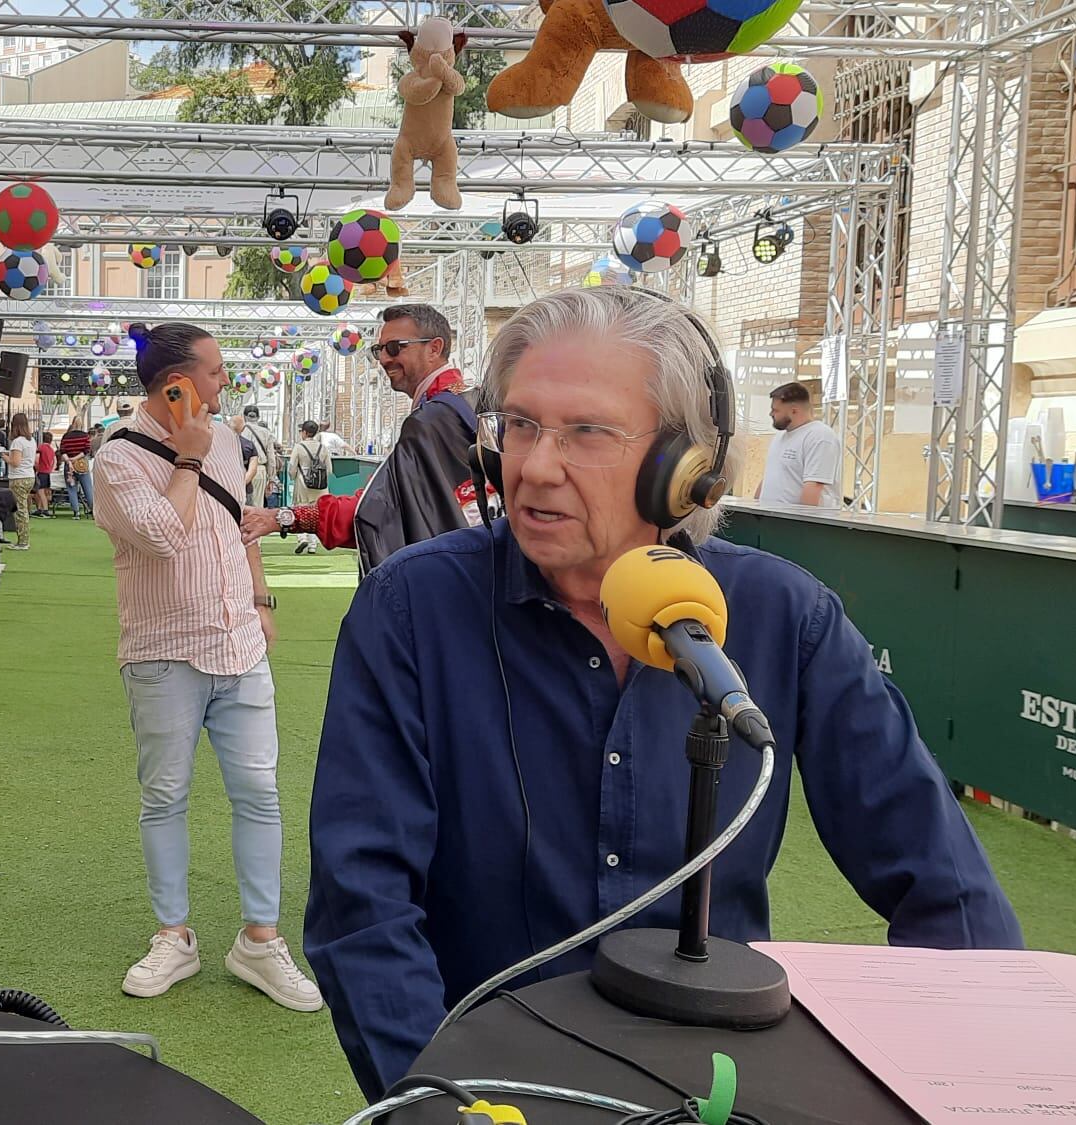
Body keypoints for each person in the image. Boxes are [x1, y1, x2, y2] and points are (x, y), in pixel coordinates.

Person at [303, 287, 1023, 1099]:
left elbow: (944, 885)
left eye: (587, 432)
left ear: (685, 467)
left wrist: (965, 1072)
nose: (535, 465)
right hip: (494, 1087)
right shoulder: (410, 610)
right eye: (522, 425)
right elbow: (361, 906)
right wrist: (442, 1108)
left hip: (719, 1092)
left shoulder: (787, 616)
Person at [92, 322, 322, 1014]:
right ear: (176, 383)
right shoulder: (117, 458)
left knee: (260, 792)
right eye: (215, 372)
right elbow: (164, 536)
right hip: (164, 651)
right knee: (165, 796)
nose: (226, 382)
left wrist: (260, 599)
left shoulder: (225, 439)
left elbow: (235, 524)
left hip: (240, 643)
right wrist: (186, 460)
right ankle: (174, 935)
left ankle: (259, 939)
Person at [249, 304, 481, 576]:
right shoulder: (465, 401)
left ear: (434, 348)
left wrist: (284, 517)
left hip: (446, 577)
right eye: (378, 350)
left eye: (395, 347)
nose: (383, 359)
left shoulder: (432, 418)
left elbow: (378, 510)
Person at [756, 381, 841, 508]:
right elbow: (769, 478)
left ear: (794, 411)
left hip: (795, 523)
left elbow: (814, 487)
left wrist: (801, 525)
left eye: (775, 410)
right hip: (771, 520)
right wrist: (755, 507)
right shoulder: (780, 437)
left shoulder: (820, 437)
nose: (771, 414)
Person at [287, 421, 330, 554]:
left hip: (303, 482)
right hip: (320, 485)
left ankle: (302, 537)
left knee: (300, 510)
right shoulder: (322, 447)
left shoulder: (299, 447)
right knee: (317, 513)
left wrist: (293, 477)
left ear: (304, 432)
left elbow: (292, 466)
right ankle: (313, 544)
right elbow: (329, 468)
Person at [4, 413, 34, 550]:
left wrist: (5, 457)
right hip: (29, 476)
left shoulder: (17, 442)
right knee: (24, 508)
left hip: (18, 477)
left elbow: (15, 462)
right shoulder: (31, 440)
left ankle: (23, 541)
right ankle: (23, 539)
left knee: (20, 510)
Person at [237, 406, 277, 506]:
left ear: (244, 416)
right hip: (259, 470)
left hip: (241, 470)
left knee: (240, 504)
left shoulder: (239, 430)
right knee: (257, 506)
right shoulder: (266, 433)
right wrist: (271, 479)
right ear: (258, 417)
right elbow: (271, 458)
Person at [59, 422, 95, 518]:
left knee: (71, 489)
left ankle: (76, 512)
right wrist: (76, 458)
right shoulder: (85, 436)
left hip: (69, 465)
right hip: (81, 464)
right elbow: (86, 450)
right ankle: (93, 510)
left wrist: (69, 460)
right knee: (88, 489)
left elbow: (62, 451)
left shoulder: (66, 437)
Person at [231, 414, 263, 497]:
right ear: (243, 429)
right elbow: (253, 470)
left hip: (227, 489)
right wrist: (242, 484)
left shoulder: (220, 443)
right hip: (245, 488)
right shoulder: (249, 445)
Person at [34, 430, 58, 517]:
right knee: (46, 491)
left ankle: (45, 510)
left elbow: (36, 457)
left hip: (42, 471)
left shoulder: (41, 447)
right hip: (48, 472)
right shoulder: (51, 450)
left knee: (40, 492)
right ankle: (40, 509)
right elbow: (54, 461)